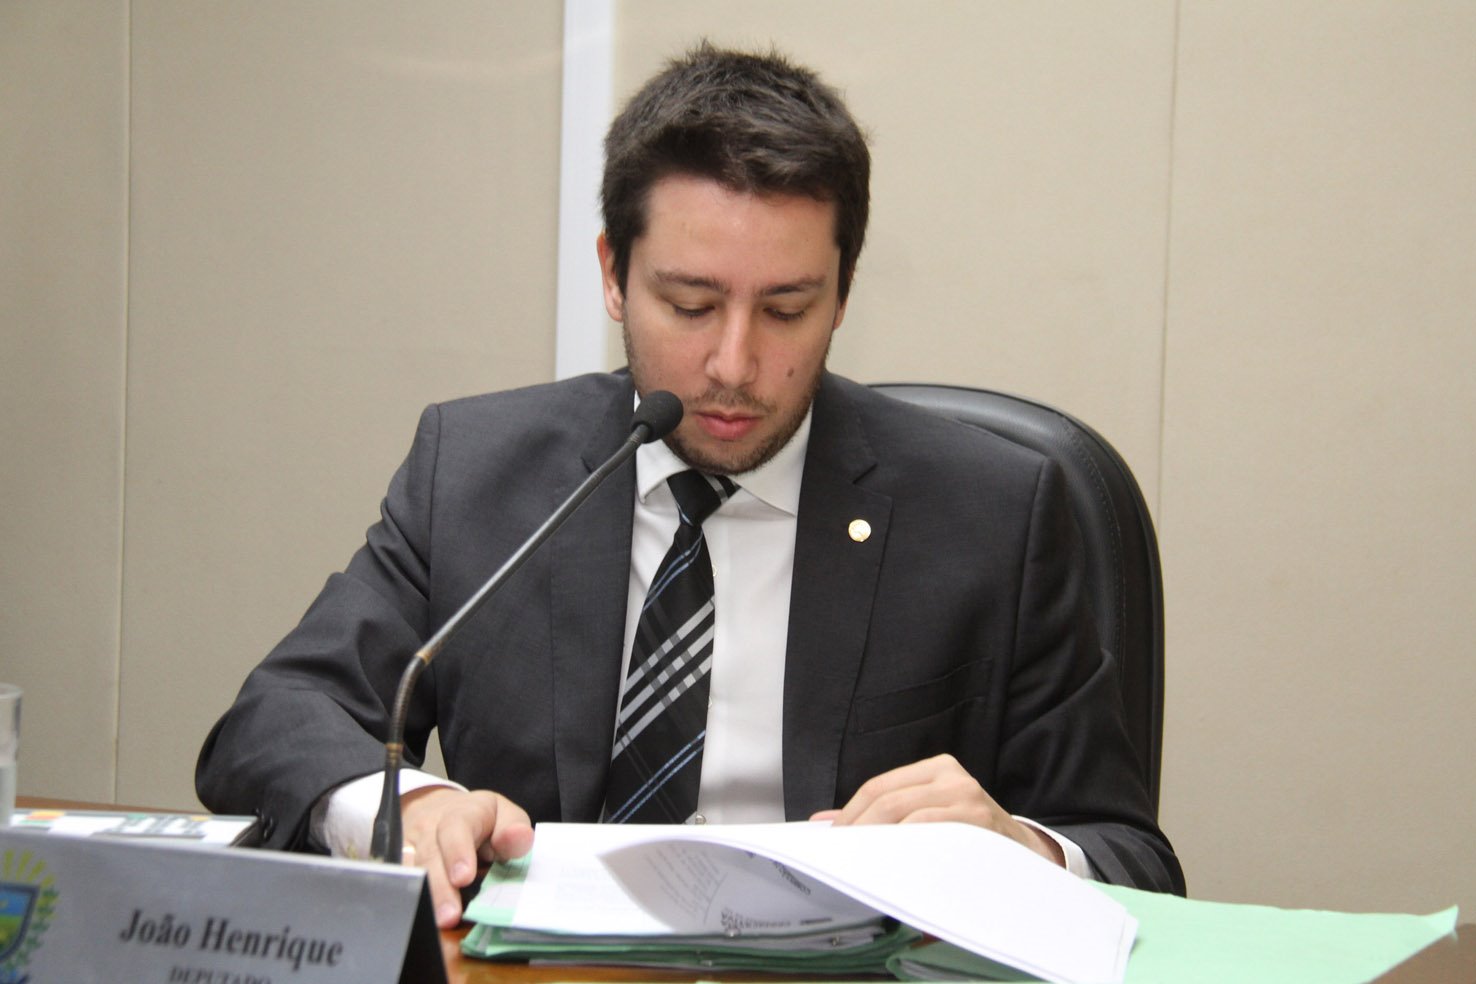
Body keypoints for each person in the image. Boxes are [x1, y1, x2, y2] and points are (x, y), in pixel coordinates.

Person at [197, 43, 1184, 930]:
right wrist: (411, 808)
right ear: (614, 275)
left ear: (843, 294)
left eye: (786, 309)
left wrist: (1020, 849)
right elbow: (277, 719)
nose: (733, 365)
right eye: (690, 303)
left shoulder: (992, 512)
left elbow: (1133, 858)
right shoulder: (481, 472)